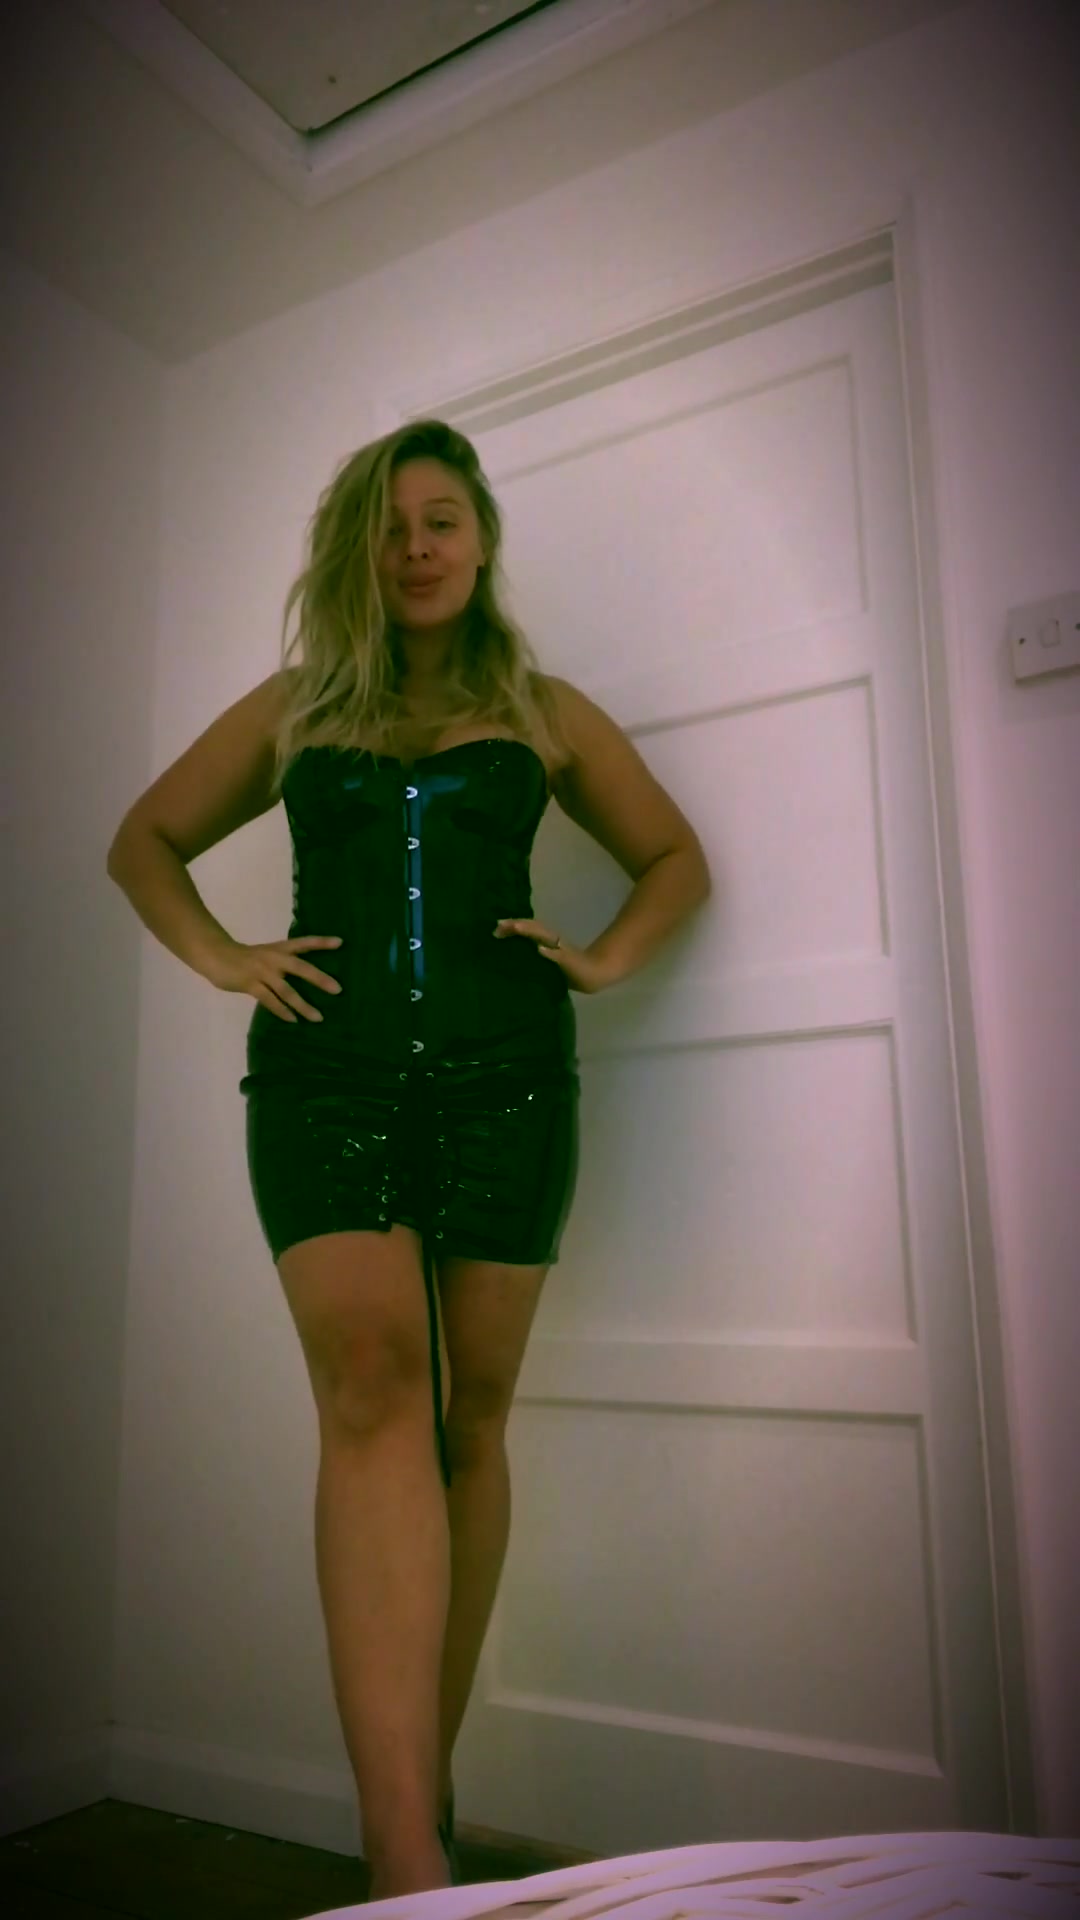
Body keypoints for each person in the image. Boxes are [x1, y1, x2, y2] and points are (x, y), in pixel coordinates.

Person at [106, 417, 711, 1899]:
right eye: (389, 525)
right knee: (373, 1391)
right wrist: (225, 957)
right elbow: (144, 841)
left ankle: (420, 1784)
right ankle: (399, 1859)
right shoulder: (299, 706)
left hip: (511, 1083)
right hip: (327, 1080)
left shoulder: (544, 710)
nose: (417, 546)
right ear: (356, 553)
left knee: (472, 1418)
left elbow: (675, 859)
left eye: (441, 519)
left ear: (481, 538)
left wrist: (601, 960)